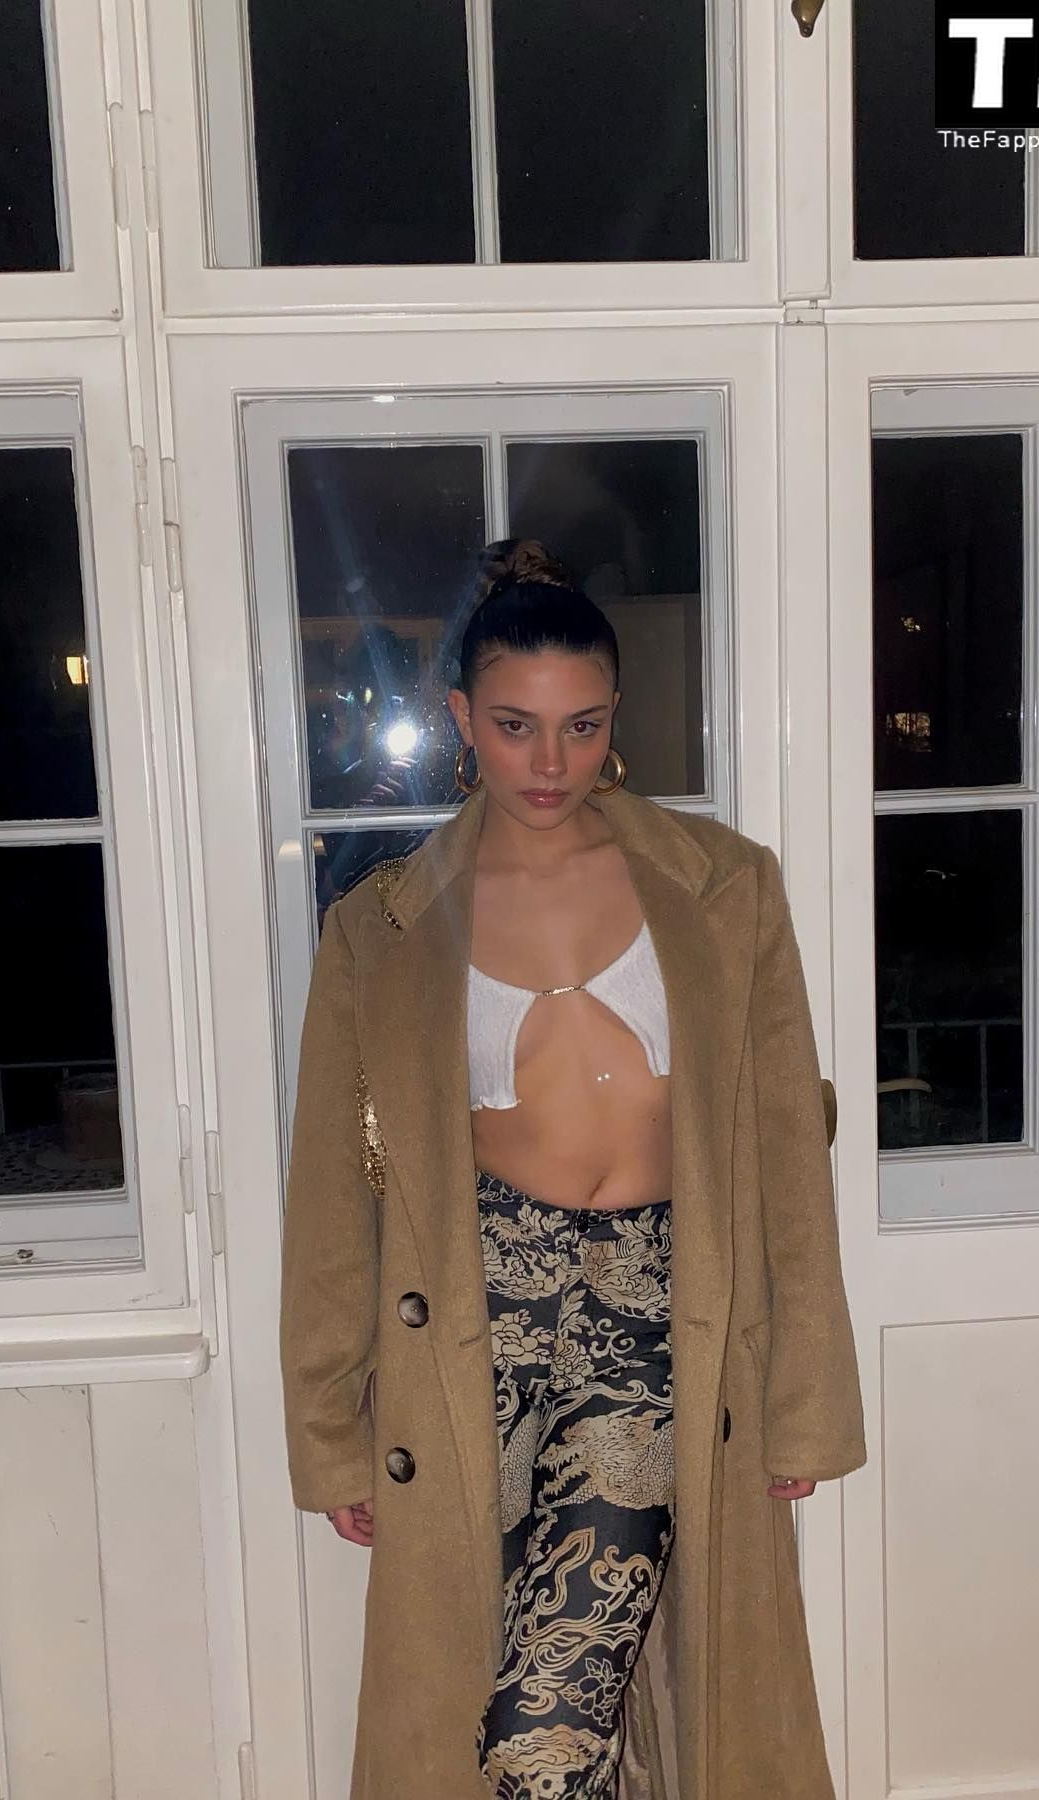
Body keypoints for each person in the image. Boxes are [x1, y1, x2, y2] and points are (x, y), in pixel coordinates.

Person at [278, 539, 867, 1800]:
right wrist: (330, 1433)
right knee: (472, 1699)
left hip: (654, 1320)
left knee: (544, 1722)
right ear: (461, 720)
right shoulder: (379, 927)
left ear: (615, 720)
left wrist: (804, 1400)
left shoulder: (724, 888)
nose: (550, 763)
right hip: (469, 1329)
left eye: (582, 726)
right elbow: (331, 1203)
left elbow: (784, 1155)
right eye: (515, 726)